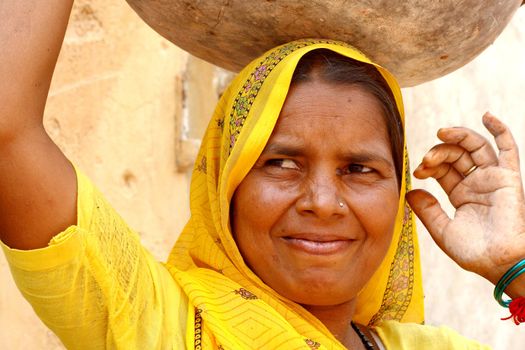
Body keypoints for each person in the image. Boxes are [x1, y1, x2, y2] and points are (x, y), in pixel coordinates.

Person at [1, 2, 524, 349]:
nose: (322, 201)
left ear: (400, 198)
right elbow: (7, 133)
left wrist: (512, 267)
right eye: (281, 163)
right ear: (226, 185)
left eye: (360, 169)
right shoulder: (156, 326)